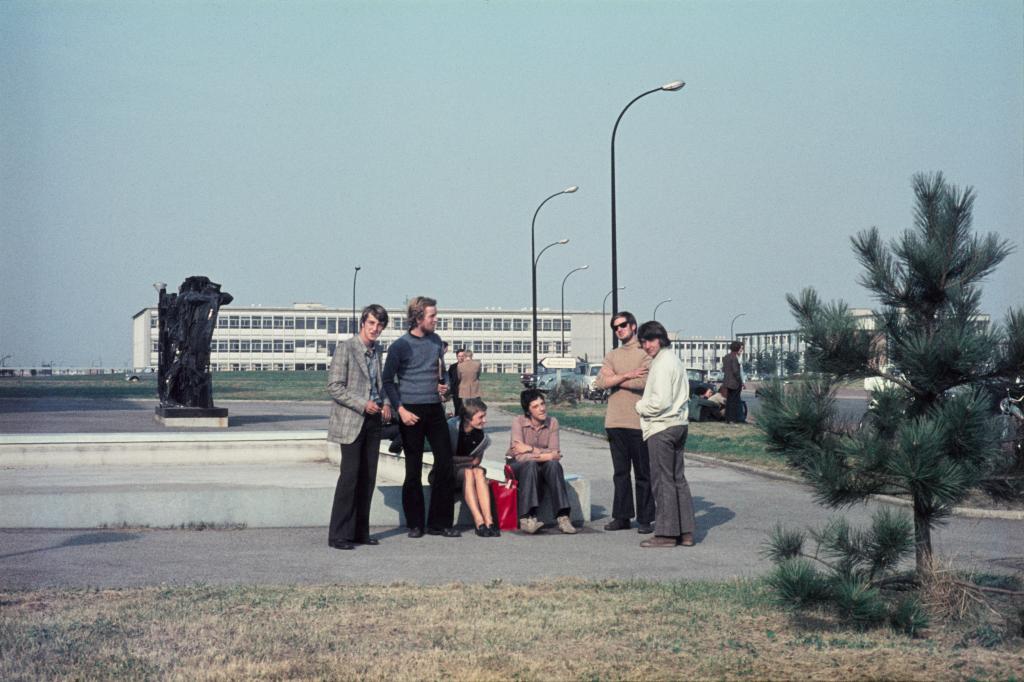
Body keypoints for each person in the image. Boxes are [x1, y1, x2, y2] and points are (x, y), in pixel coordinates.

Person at [382, 296, 460, 539]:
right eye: (432, 316)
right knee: (413, 468)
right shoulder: (400, 346)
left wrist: (444, 386)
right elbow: (387, 381)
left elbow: (443, 374)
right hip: (410, 411)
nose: (437, 320)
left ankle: (440, 523)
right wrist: (401, 410)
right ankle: (415, 524)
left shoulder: (436, 341)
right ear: (418, 318)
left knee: (445, 463)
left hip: (434, 409)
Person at [326, 304, 392, 550]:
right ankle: (339, 535)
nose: (375, 329)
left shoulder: (377, 352)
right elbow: (334, 386)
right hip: (352, 420)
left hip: (373, 422)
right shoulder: (346, 348)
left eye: (380, 325)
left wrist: (385, 403)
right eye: (372, 323)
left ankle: (360, 532)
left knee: (368, 478)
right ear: (363, 323)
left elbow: (379, 384)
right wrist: (362, 404)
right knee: (350, 478)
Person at [634, 320, 696, 548]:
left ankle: (666, 534)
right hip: (679, 424)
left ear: (660, 338)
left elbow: (660, 401)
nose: (647, 345)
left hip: (662, 426)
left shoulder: (661, 364)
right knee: (678, 479)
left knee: (662, 480)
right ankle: (686, 532)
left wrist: (640, 406)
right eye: (643, 342)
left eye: (650, 340)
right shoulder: (675, 360)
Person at [594, 311, 655, 534]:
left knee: (642, 473)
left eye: (622, 325)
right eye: (615, 327)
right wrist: (627, 375)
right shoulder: (612, 355)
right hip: (614, 421)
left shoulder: (645, 353)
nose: (619, 330)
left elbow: (645, 382)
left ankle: (646, 518)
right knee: (620, 473)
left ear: (633, 326)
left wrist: (616, 379)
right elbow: (600, 383)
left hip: (637, 422)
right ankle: (621, 517)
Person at [506, 388, 577, 535]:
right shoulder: (518, 422)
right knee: (531, 464)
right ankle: (527, 518)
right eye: (536, 406)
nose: (542, 408)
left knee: (554, 465)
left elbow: (555, 453)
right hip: (517, 467)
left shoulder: (553, 422)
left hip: (542, 466)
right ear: (528, 410)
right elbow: (520, 456)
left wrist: (529, 449)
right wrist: (546, 454)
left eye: (543, 404)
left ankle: (562, 517)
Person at [447, 397, 498, 537]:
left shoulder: (482, 436)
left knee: (478, 472)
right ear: (468, 419)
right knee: (471, 472)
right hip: (447, 473)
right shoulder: (451, 427)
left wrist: (465, 461)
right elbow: (446, 459)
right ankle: (478, 520)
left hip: (467, 472)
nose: (485, 420)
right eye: (481, 417)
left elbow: (477, 461)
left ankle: (489, 521)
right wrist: (468, 461)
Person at [722, 341, 745, 424]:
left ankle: (728, 418)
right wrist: (740, 381)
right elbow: (736, 371)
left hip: (727, 382)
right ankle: (733, 419)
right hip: (734, 383)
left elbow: (724, 369)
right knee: (734, 401)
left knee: (729, 401)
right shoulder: (734, 358)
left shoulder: (726, 357)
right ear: (737, 348)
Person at [448, 346, 464, 416]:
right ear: (457, 357)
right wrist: (450, 392)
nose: (461, 357)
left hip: (466, 392)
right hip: (456, 393)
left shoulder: (469, 367)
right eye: (459, 356)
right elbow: (449, 379)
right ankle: (457, 425)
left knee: (467, 410)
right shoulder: (453, 367)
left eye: (462, 356)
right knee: (457, 409)